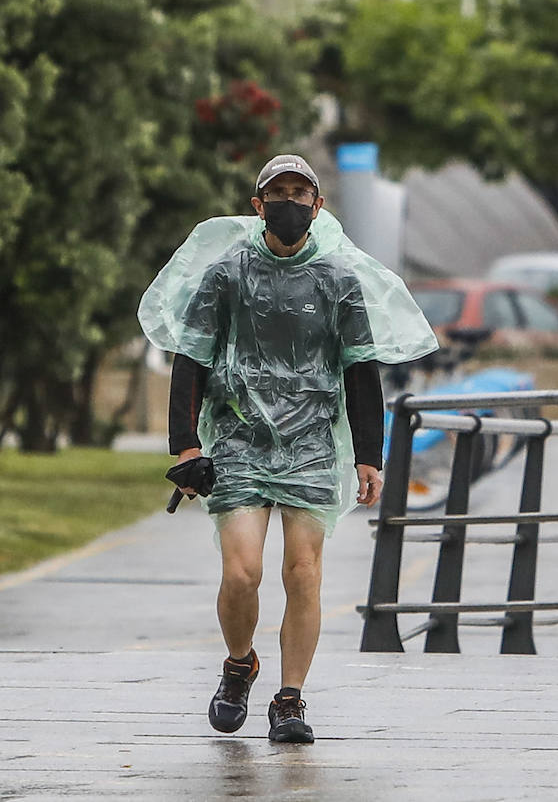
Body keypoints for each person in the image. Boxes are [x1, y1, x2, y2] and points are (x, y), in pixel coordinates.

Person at [138, 154, 437, 743]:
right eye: (279, 192)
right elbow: (191, 359)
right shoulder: (225, 275)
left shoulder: (339, 283)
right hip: (239, 441)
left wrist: (368, 456)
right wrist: (184, 446)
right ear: (258, 205)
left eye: (302, 193)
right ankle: (239, 663)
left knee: (303, 574)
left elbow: (361, 372)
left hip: (310, 444)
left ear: (318, 207)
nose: (291, 202)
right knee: (242, 573)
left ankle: (291, 700)